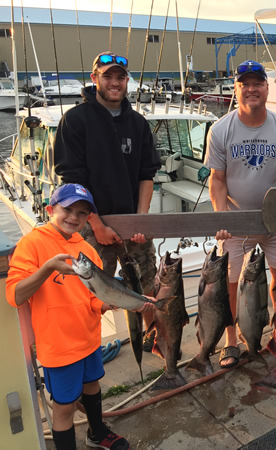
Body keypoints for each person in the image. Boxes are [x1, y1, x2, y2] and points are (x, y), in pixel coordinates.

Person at [6, 184, 154, 450]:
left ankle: (96, 434)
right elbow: (15, 295)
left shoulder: (86, 248)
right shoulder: (32, 244)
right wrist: (49, 267)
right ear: (51, 209)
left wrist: (120, 303)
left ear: (88, 219)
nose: (74, 217)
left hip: (88, 339)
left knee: (93, 387)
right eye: (68, 209)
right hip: (58, 347)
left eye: (82, 213)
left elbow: (94, 296)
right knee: (64, 409)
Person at [54, 51, 161, 351]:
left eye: (120, 77)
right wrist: (97, 223)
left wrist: (140, 219)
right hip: (91, 225)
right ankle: (84, 348)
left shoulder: (139, 124)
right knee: (88, 290)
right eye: (107, 76)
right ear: (95, 78)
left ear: (127, 81)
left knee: (147, 284)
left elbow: (146, 175)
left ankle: (154, 339)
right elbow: (73, 180)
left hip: (132, 223)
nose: (114, 82)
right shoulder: (75, 120)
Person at [204, 60, 276, 368]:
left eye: (257, 83)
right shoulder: (220, 130)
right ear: (237, 89)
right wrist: (222, 218)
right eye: (244, 84)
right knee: (231, 283)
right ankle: (232, 341)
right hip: (236, 222)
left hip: (274, 222)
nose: (251, 89)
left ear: (266, 88)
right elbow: (217, 179)